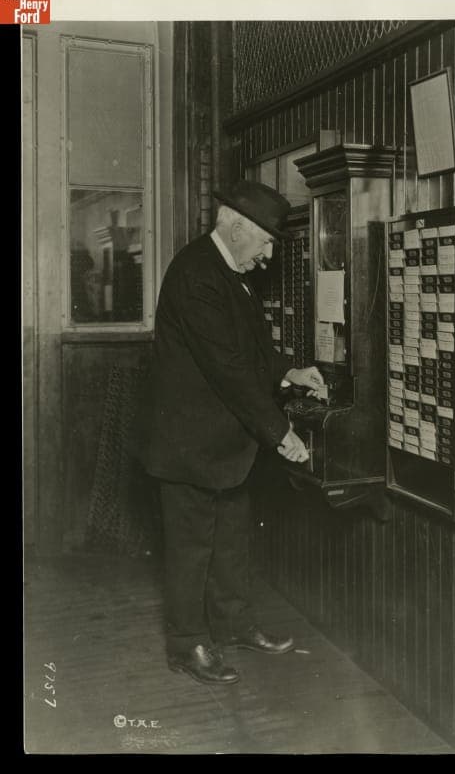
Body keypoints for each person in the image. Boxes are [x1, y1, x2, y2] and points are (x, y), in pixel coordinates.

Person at [139, 181, 324, 686]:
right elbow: (227, 369)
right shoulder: (197, 274)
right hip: (189, 447)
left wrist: (289, 372)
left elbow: (249, 351)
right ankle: (186, 645)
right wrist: (279, 431)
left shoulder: (228, 271)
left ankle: (234, 625)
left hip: (225, 443)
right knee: (191, 549)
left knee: (231, 543)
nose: (267, 256)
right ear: (235, 227)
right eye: (265, 242)